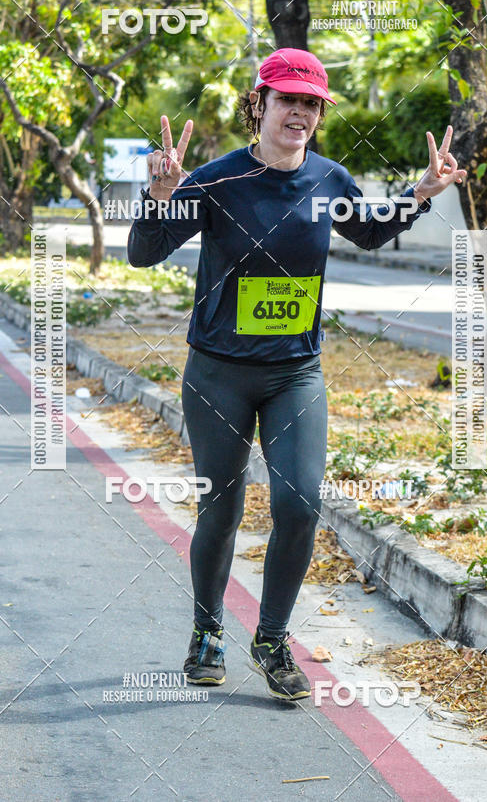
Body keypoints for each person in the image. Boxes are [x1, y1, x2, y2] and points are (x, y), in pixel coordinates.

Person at [127, 47, 467, 701]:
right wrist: (158, 198)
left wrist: (418, 196)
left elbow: (368, 233)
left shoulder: (329, 179)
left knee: (301, 503)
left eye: (312, 104)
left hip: (294, 376)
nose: (301, 113)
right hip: (218, 375)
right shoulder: (215, 180)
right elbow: (144, 254)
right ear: (259, 104)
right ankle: (206, 631)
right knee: (220, 510)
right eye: (289, 100)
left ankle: (272, 638)